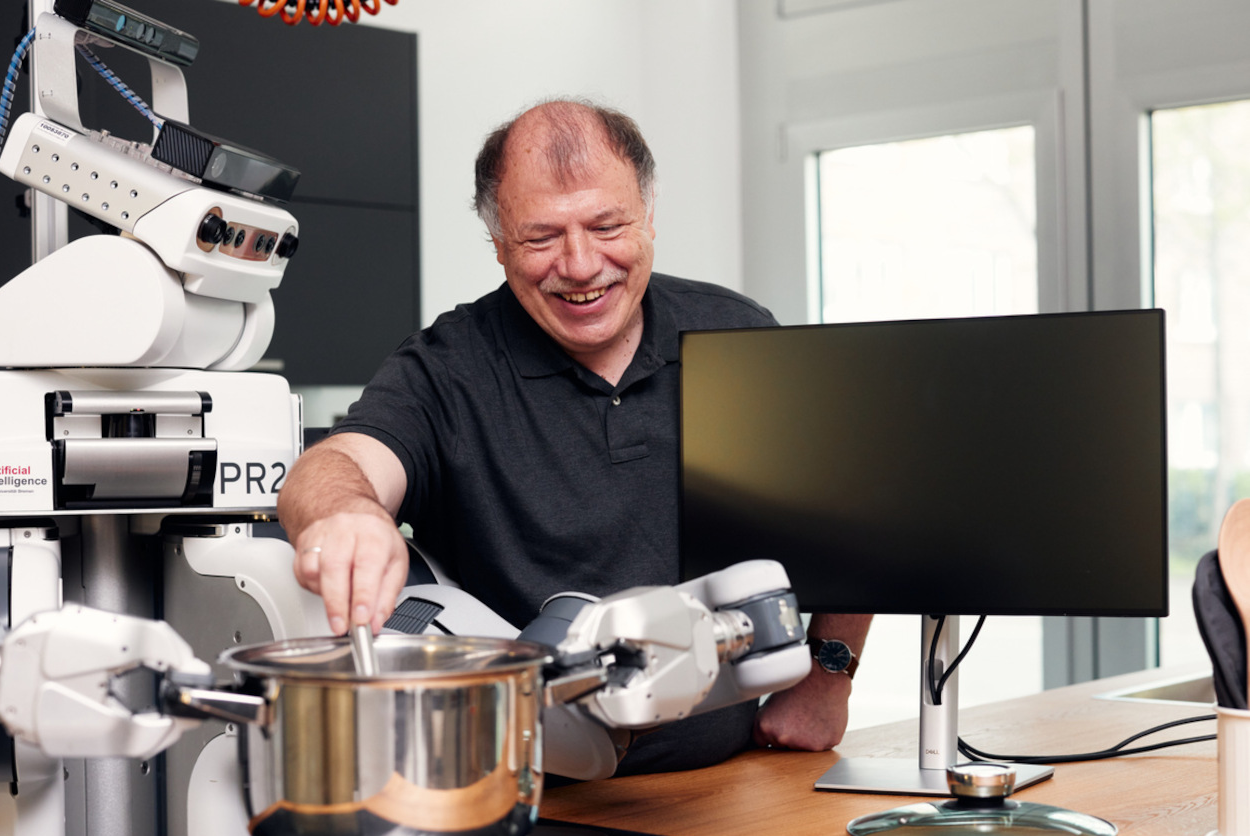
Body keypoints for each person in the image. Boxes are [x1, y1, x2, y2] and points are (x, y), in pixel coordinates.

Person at [276, 99, 871, 770]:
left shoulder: (740, 335)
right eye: (540, 237)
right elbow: (334, 467)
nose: (582, 264)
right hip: (526, 792)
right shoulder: (449, 368)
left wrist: (828, 676)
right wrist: (347, 512)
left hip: (727, 784)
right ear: (498, 244)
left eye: (606, 224)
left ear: (648, 216)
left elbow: (848, 511)